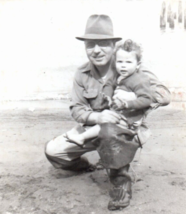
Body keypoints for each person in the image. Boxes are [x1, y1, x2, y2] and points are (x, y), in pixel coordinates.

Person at [45, 15, 171, 210]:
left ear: (113, 46)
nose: (96, 50)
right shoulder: (82, 73)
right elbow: (77, 109)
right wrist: (97, 116)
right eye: (91, 44)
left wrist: (131, 99)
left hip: (124, 129)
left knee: (110, 133)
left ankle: (121, 184)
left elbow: (164, 96)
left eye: (103, 43)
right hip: (93, 129)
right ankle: (85, 165)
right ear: (85, 47)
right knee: (54, 152)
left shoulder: (128, 65)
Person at [65, 39, 153, 147]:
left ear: (138, 65)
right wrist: (107, 96)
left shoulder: (140, 77)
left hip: (129, 119)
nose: (123, 65)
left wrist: (130, 100)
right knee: (54, 150)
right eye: (120, 62)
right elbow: (109, 84)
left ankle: (83, 139)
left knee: (108, 130)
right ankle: (83, 147)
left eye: (128, 62)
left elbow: (152, 98)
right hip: (110, 116)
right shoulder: (118, 73)